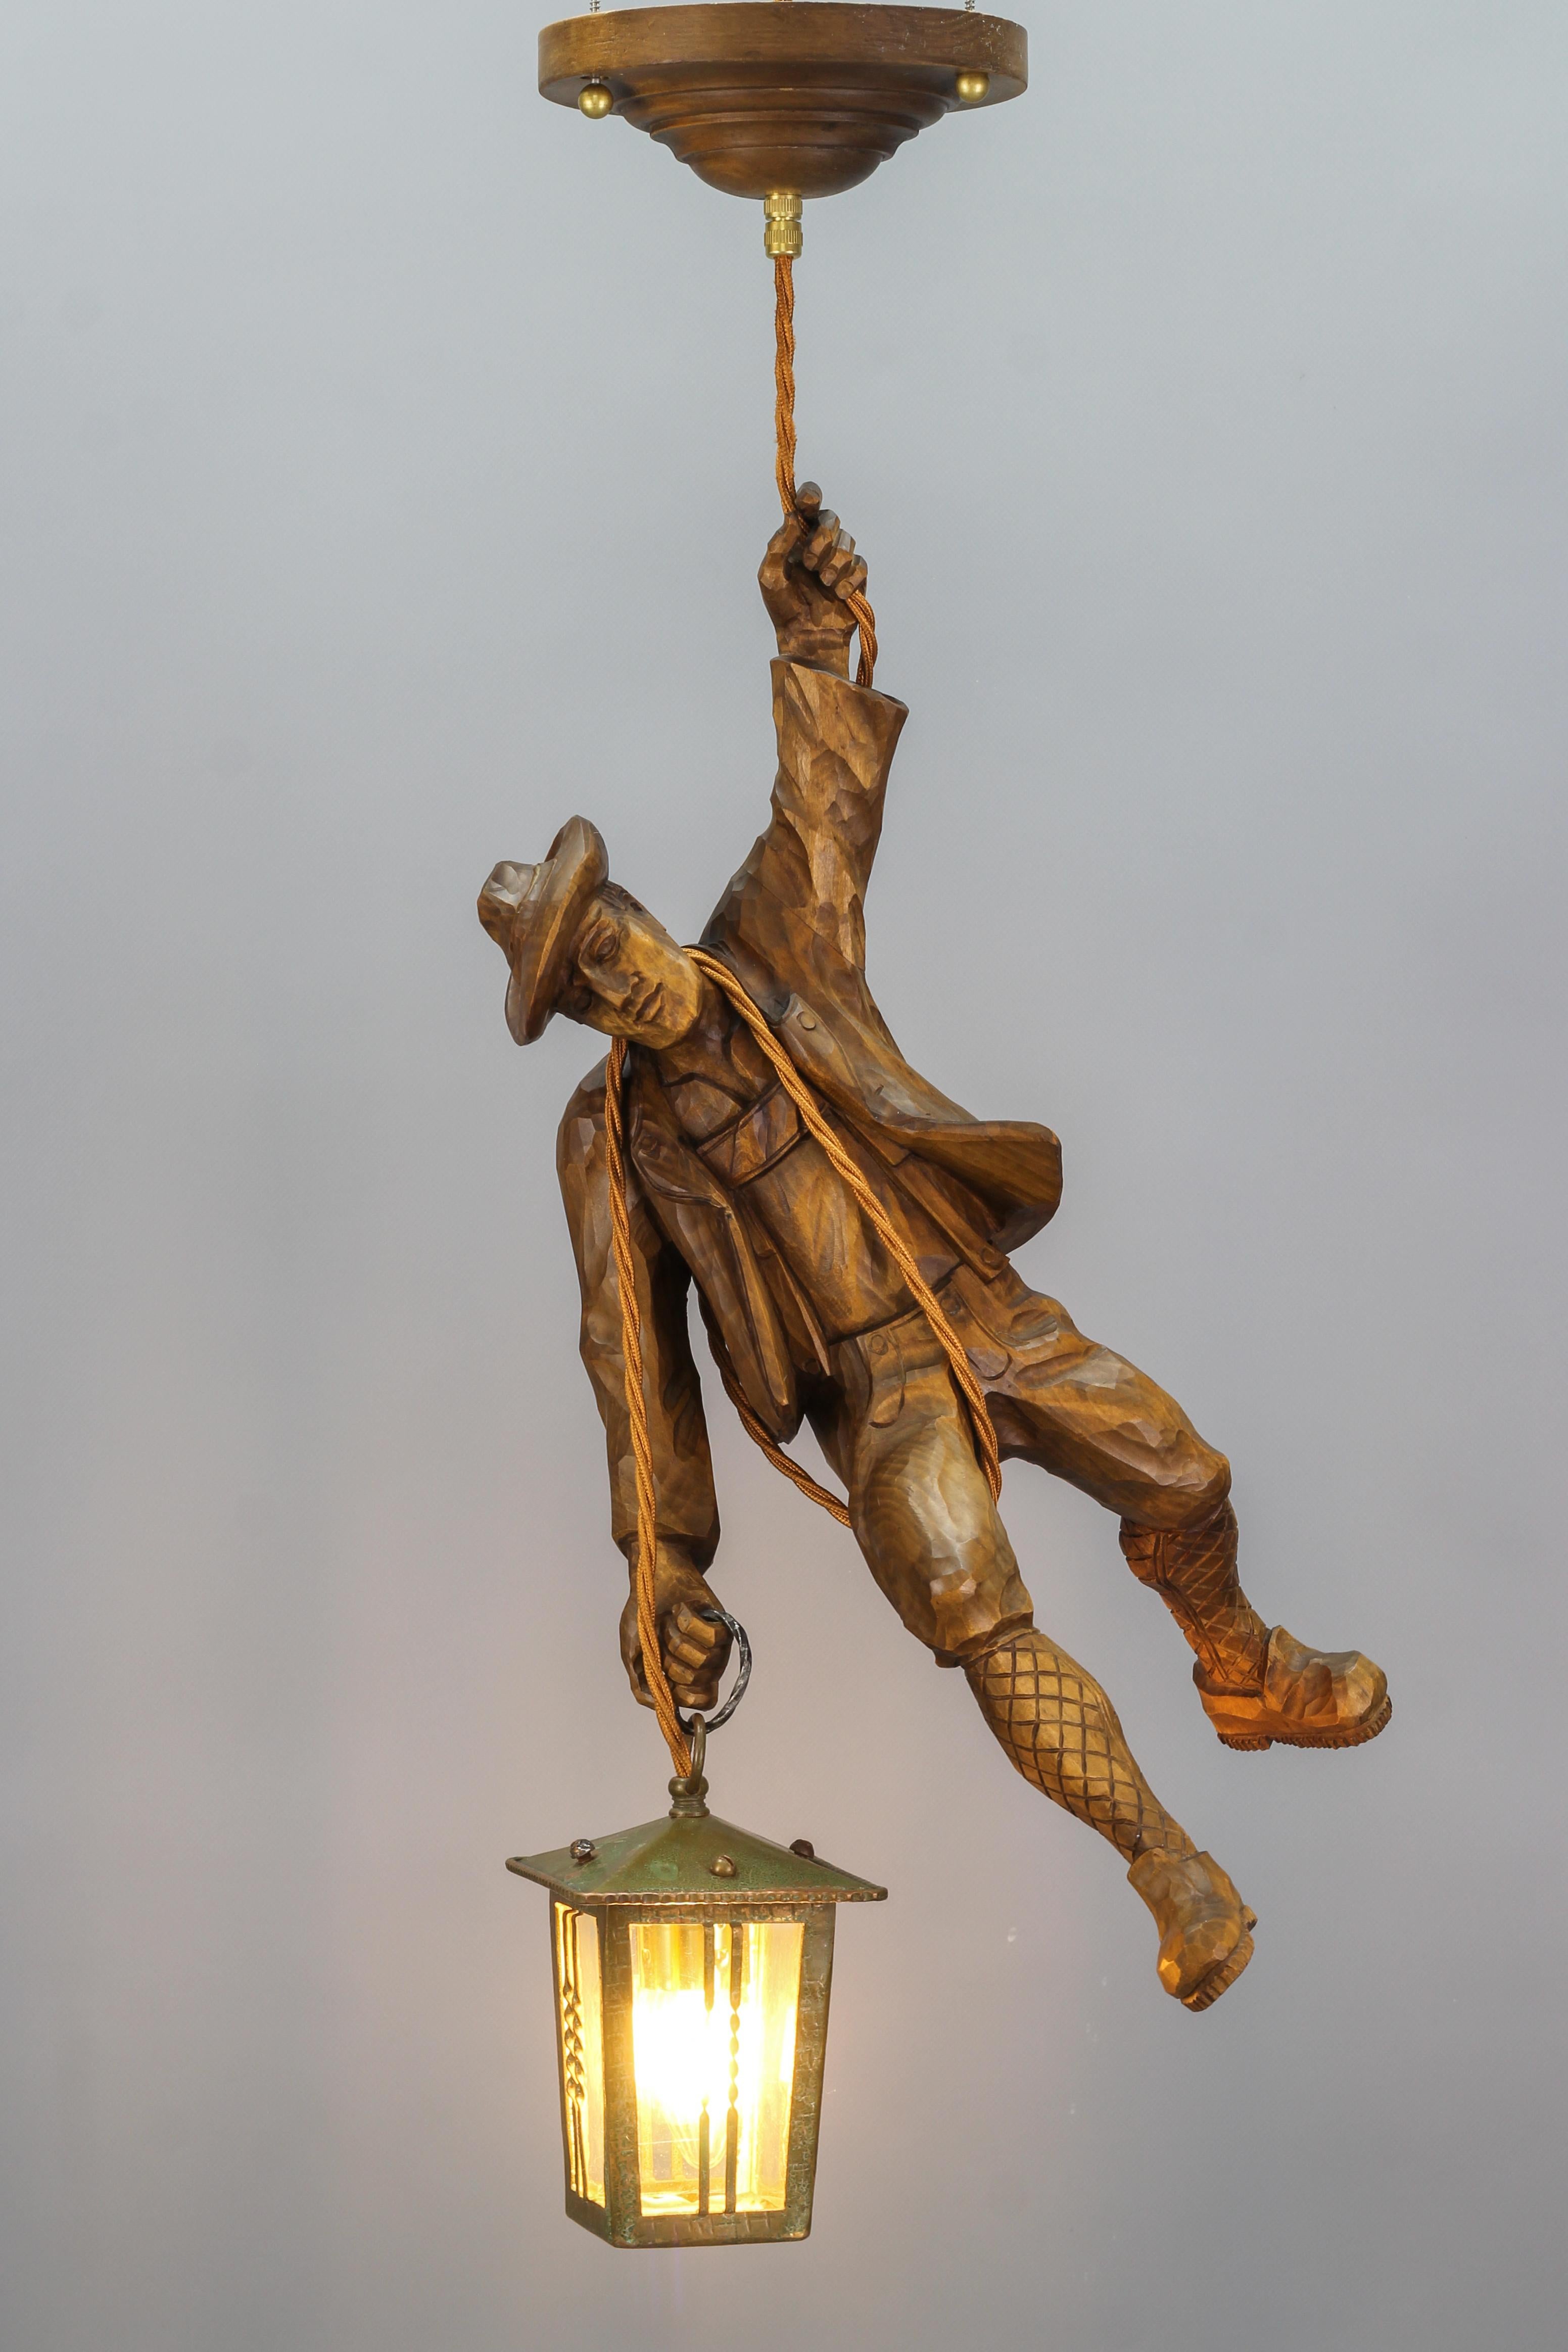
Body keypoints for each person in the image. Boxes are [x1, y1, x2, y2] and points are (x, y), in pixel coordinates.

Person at [478, 500, 1390, 2011]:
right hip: (875, 1396)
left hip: (987, 1310)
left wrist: (811, 636)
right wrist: (666, 1566)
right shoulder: (611, 1138)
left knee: (1184, 1473)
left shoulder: (770, 944)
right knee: (980, 1615)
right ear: (574, 1013)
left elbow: (822, 810)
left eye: (611, 935)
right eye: (582, 983)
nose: (615, 977)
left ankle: (1245, 1668)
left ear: (639, 909)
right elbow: (627, 1354)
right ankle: (1169, 1864)